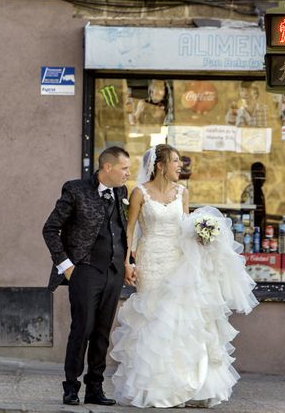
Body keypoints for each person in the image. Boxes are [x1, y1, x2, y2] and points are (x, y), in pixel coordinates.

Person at [110, 144, 258, 408]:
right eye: (176, 161)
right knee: (155, 320)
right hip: (151, 261)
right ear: (160, 165)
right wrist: (126, 263)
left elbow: (185, 226)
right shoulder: (139, 193)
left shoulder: (182, 193)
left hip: (179, 261)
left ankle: (186, 386)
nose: (180, 166)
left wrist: (202, 235)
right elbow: (129, 230)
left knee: (181, 320)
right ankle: (155, 388)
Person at [42, 146, 132, 407]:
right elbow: (50, 229)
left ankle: (95, 388)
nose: (128, 173)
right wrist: (66, 265)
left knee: (102, 333)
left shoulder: (121, 192)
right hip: (85, 271)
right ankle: (71, 388)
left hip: (113, 272)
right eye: (124, 168)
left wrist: (128, 263)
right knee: (82, 329)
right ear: (107, 168)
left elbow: (120, 230)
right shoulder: (75, 189)